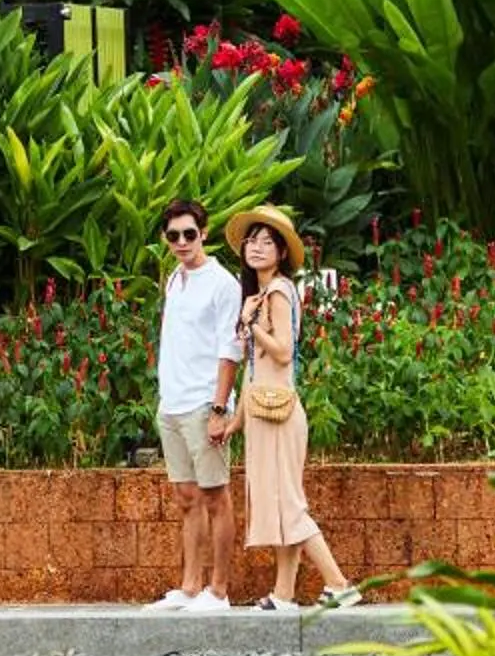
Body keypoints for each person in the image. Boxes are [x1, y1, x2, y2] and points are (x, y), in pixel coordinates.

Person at [226, 204, 360, 614]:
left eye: (268, 242)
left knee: (288, 503)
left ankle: (339, 584)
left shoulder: (279, 292)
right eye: (252, 241)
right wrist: (236, 420)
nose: (257, 247)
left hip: (279, 416)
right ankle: (284, 593)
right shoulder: (260, 295)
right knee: (282, 502)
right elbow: (253, 369)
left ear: (282, 252)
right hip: (264, 412)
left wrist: (250, 324)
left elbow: (283, 352)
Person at [146, 197, 240, 611]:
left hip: (205, 402)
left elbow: (230, 350)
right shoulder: (175, 279)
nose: (182, 242)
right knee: (186, 497)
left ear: (204, 233)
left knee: (216, 496)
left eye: (189, 233)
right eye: (173, 236)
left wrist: (219, 409)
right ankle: (189, 587)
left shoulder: (223, 283)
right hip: (172, 403)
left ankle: (218, 591)